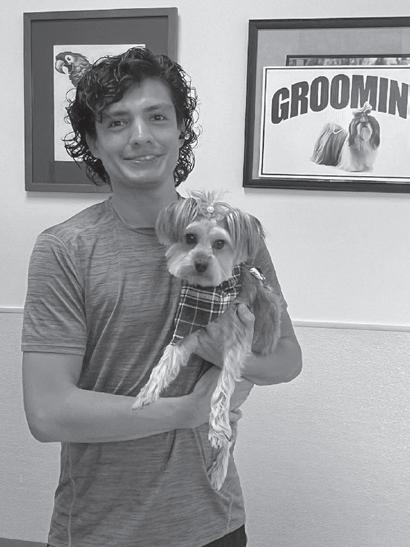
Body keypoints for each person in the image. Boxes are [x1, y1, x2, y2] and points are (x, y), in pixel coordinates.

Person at [21, 47, 302, 547]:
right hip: (100, 528)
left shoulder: (235, 237)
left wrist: (227, 355)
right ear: (93, 141)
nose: (141, 136)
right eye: (116, 122)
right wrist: (188, 410)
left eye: (157, 117)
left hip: (214, 521)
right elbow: (48, 411)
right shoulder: (65, 249)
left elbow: (287, 360)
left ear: (180, 129)